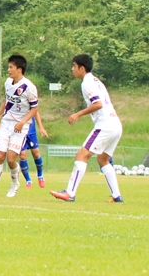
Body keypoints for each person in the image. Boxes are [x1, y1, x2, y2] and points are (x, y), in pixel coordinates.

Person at [51, 54, 123, 203]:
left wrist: (77, 114)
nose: (72, 69)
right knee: (103, 159)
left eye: (74, 66)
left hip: (105, 124)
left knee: (81, 155)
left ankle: (70, 193)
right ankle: (117, 196)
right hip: (115, 124)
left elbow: (98, 104)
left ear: (81, 68)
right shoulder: (96, 81)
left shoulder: (87, 83)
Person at [0, 54, 39, 198]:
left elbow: (34, 108)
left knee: (11, 159)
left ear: (19, 69)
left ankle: (15, 183)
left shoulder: (29, 87)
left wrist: (22, 122)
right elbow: (7, 101)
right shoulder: (8, 83)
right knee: (0, 155)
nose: (8, 70)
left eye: (11, 67)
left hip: (21, 126)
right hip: (6, 123)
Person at [18, 114, 48, 188]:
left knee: (36, 153)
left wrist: (41, 127)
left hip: (30, 130)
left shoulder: (30, 105)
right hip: (19, 131)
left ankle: (40, 176)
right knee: (22, 155)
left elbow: (36, 112)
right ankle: (28, 181)